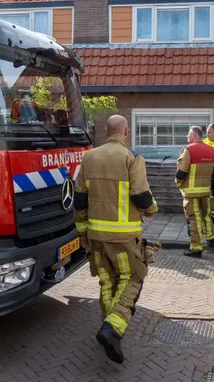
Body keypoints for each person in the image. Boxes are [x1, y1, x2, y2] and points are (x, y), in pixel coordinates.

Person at [74, 115, 159, 364]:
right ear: (125, 132)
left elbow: (79, 200)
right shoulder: (131, 158)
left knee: (107, 281)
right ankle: (112, 327)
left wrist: (82, 233)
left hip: (96, 236)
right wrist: (153, 209)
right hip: (124, 237)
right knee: (133, 277)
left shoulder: (89, 157)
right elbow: (142, 196)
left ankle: (110, 332)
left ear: (105, 131)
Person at [176, 126, 214, 258]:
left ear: (194, 135)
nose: (187, 138)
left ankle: (196, 248)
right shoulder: (212, 150)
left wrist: (178, 184)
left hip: (191, 193)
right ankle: (211, 238)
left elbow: (181, 172)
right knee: (206, 215)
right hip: (206, 191)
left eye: (188, 135)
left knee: (194, 220)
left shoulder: (188, 150)